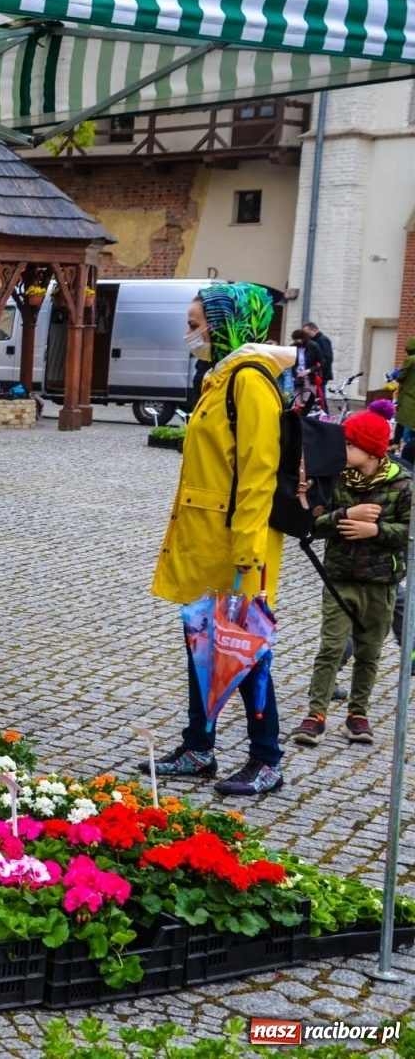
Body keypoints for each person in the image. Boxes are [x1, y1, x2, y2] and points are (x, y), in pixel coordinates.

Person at [144, 282, 293, 796]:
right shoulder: (221, 375)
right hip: (207, 538)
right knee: (204, 644)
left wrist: (248, 553)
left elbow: (260, 471)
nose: (190, 333)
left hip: (238, 545)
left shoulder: (249, 381)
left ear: (227, 322)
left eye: (195, 324)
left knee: (246, 650)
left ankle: (266, 758)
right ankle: (199, 746)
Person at [291, 409, 411, 747]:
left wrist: (375, 529)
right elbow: (314, 522)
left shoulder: (402, 483)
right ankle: (316, 714)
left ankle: (358, 713)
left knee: (370, 651)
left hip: (381, 584)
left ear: (371, 450)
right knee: (330, 648)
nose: (341, 449)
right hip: (339, 579)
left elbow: (408, 532)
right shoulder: (335, 479)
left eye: (349, 444)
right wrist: (346, 515)